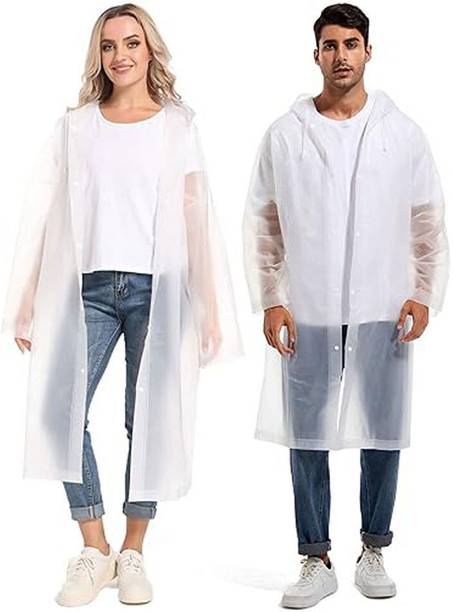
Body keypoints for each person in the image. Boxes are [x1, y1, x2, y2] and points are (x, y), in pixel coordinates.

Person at [1, 3, 242, 607]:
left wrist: (212, 308)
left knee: (148, 419)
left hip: (157, 290)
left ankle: (134, 551)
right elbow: (45, 213)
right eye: (108, 46)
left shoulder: (177, 126)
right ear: (98, 55)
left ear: (149, 49)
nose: (120, 55)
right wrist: (26, 298)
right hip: (87, 289)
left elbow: (196, 217)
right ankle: (95, 547)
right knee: (60, 412)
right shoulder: (76, 127)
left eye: (132, 42)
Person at [242, 3, 448, 608]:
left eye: (351, 44)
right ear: (316, 55)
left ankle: (374, 548)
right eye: (330, 45)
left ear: (368, 52)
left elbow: (427, 219)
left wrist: (423, 292)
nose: (341, 56)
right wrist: (272, 298)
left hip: (383, 302)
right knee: (306, 433)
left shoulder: (401, 133)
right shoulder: (286, 135)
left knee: (382, 431)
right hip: (308, 305)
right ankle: (315, 558)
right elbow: (264, 221)